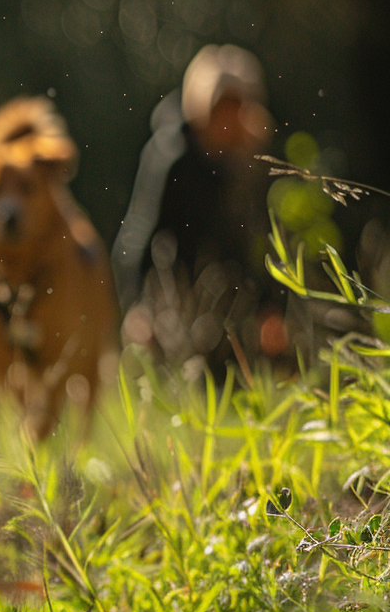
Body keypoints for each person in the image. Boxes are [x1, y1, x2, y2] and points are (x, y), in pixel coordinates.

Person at [112, 44, 285, 381]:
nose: (230, 117)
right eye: (223, 106)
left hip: (236, 312)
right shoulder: (171, 159)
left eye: (237, 107)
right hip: (175, 312)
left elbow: (261, 243)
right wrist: (137, 308)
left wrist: (271, 309)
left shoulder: (248, 166)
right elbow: (139, 236)